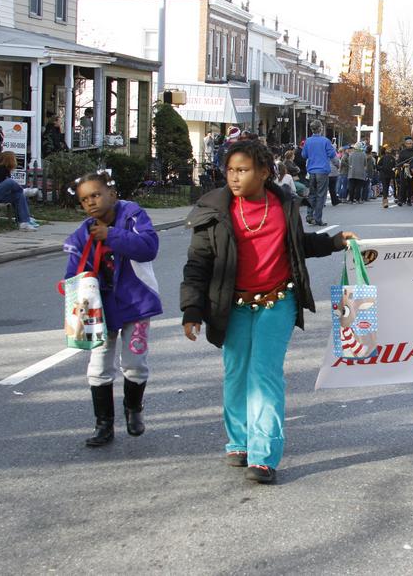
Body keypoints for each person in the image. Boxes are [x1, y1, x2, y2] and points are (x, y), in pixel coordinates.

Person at [181, 140, 357, 484]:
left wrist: (333, 242)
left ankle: (263, 456)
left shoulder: (283, 205)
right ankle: (239, 441)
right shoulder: (214, 211)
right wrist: (192, 308)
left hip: (278, 300)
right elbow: (197, 264)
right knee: (236, 373)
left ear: (264, 172)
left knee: (265, 375)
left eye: (243, 170)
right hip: (233, 305)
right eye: (230, 170)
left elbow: (298, 245)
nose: (234, 178)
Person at [64, 170, 163, 447]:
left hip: (136, 302)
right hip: (99, 309)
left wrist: (111, 235)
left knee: (134, 363)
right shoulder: (81, 234)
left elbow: (148, 248)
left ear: (112, 194)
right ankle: (103, 424)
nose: (91, 202)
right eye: (85, 200)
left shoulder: (133, 217)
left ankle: (133, 409)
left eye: (96, 195)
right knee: (98, 367)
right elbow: (75, 273)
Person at [301, 120, 335, 226]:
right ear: (320, 129)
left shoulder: (308, 141)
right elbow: (333, 156)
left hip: (311, 171)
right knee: (321, 195)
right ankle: (318, 218)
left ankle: (309, 215)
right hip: (323, 171)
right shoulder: (325, 141)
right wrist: (337, 165)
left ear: (312, 129)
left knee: (312, 194)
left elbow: (304, 155)